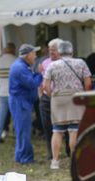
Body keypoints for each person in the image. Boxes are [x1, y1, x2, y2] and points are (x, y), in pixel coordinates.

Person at [43, 40, 92, 169]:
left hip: (58, 98)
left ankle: (55, 162)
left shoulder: (52, 65)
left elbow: (45, 86)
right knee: (74, 130)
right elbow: (88, 83)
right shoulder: (81, 63)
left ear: (59, 52)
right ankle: (74, 161)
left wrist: (52, 95)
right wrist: (84, 94)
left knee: (57, 131)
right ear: (72, 51)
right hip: (76, 98)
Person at [8, 44, 43, 164]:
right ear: (27, 55)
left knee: (21, 130)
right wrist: (39, 74)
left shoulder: (22, 66)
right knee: (24, 131)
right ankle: (26, 158)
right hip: (20, 102)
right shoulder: (21, 68)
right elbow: (32, 83)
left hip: (20, 101)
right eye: (34, 53)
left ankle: (20, 156)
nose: (36, 56)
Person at [38, 38, 67, 160]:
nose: (51, 52)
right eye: (50, 50)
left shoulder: (66, 63)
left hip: (61, 97)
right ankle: (51, 153)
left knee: (66, 125)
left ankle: (69, 150)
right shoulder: (44, 63)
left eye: (54, 50)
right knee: (47, 126)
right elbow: (41, 81)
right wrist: (41, 95)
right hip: (46, 98)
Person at [0, 42, 17, 143]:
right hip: (14, 92)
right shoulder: (15, 60)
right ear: (12, 49)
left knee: (1, 115)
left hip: (2, 91)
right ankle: (17, 134)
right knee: (16, 115)